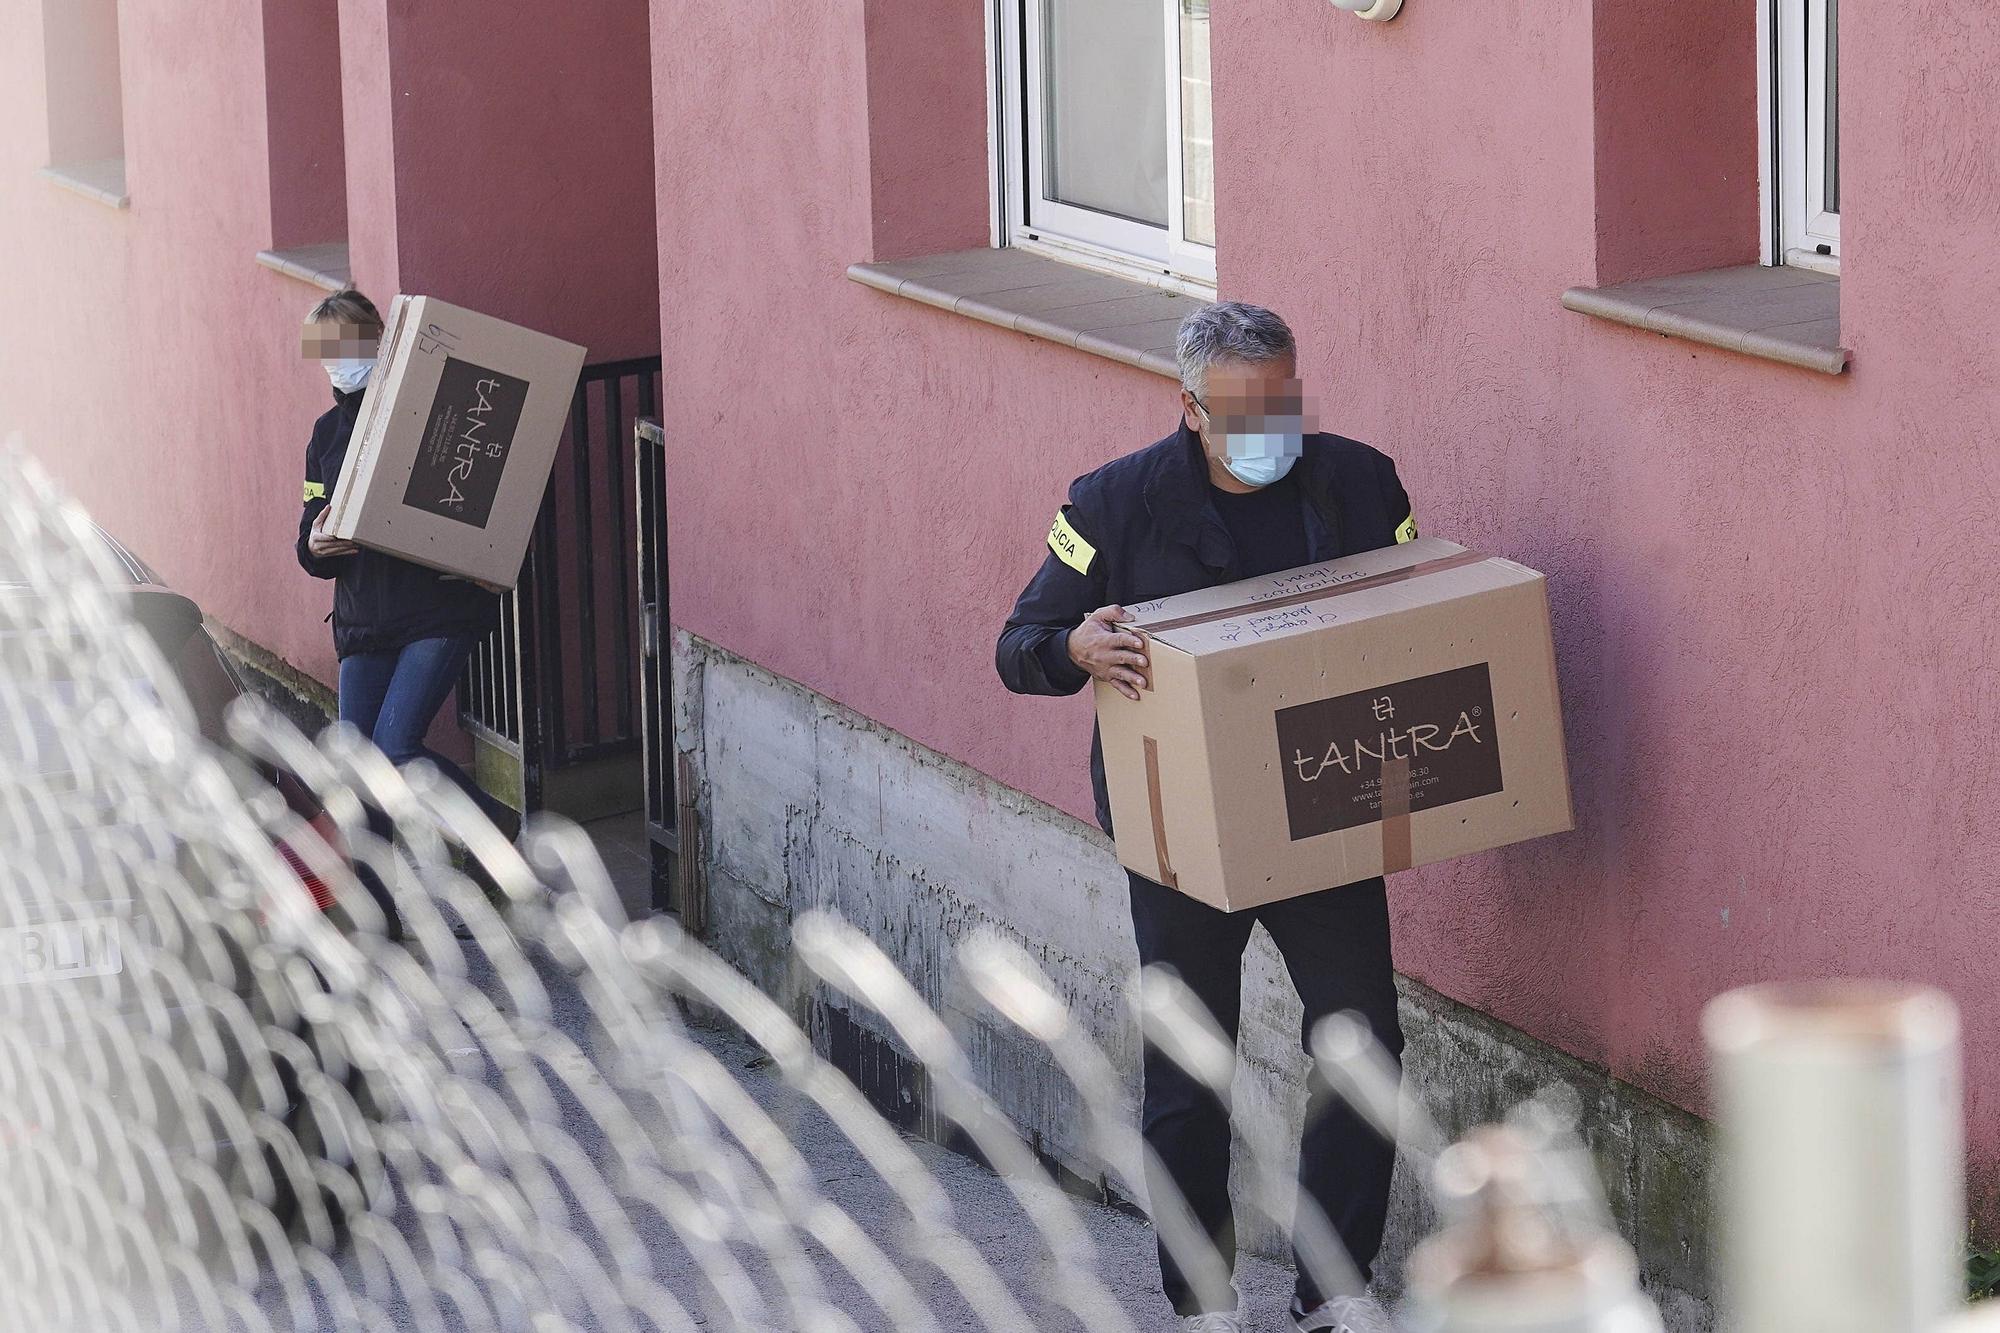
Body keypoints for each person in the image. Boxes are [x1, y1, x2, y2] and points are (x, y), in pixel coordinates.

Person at [995, 303, 1415, 1333]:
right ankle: (1199, 1301)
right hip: (1179, 835)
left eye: (1283, 395)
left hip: (1321, 808)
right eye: (1242, 406)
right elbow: (1018, 644)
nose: (1270, 420)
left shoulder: (1361, 479)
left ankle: (1334, 1291)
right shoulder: (1111, 503)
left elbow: (1413, 610)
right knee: (1190, 1067)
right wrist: (1074, 652)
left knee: (1362, 1043)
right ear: (1187, 408)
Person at [295, 288, 518, 842]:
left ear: (382, 338)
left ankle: (499, 839)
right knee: (359, 770)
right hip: (363, 620)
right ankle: (382, 916)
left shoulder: (428, 410)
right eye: (329, 348)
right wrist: (313, 547)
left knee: (395, 751)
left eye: (352, 340)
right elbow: (308, 524)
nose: (340, 357)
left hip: (435, 609)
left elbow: (481, 494)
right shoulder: (325, 434)